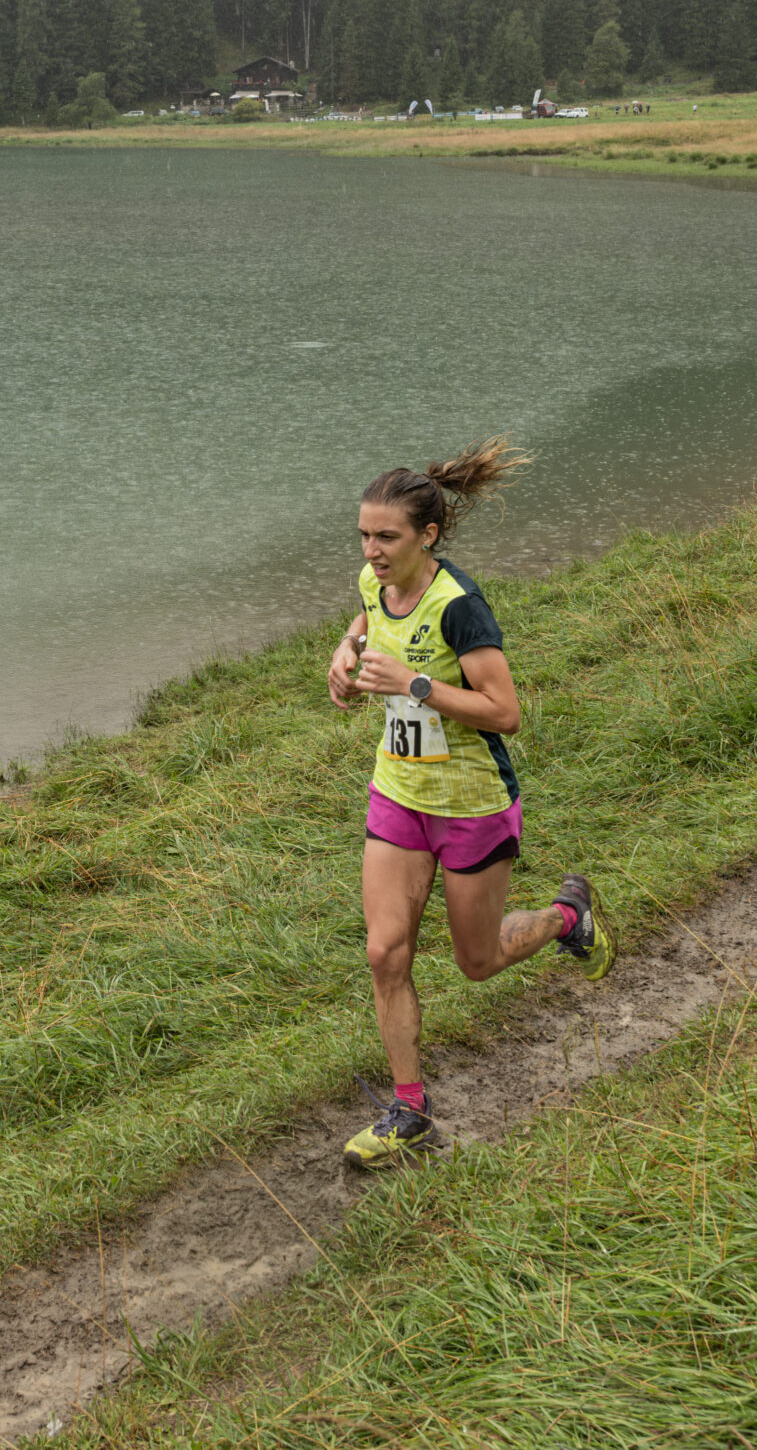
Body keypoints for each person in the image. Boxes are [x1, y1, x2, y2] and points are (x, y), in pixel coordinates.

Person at [326, 440, 614, 1168]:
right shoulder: (374, 581)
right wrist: (343, 655)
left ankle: (567, 916)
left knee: (477, 961)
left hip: (471, 805)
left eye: (386, 536)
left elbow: (505, 711)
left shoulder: (460, 606)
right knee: (384, 952)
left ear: (429, 535)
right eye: (364, 534)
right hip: (397, 792)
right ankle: (409, 1110)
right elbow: (366, 619)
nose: (372, 548)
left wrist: (417, 684)